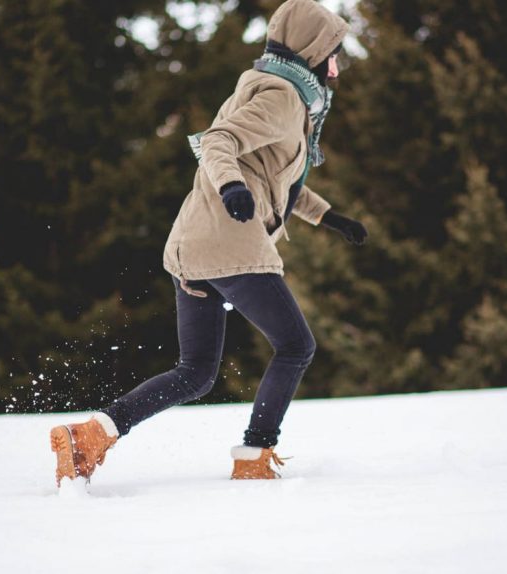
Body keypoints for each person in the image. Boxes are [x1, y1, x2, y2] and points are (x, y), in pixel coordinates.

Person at [50, 0, 367, 486]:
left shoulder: (263, 87)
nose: (336, 66)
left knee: (195, 373)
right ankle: (255, 454)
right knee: (295, 346)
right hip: (229, 242)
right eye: (332, 54)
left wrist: (329, 217)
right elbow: (217, 143)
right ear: (311, 52)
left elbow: (273, 176)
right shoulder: (282, 97)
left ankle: (91, 435)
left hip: (192, 245)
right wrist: (231, 187)